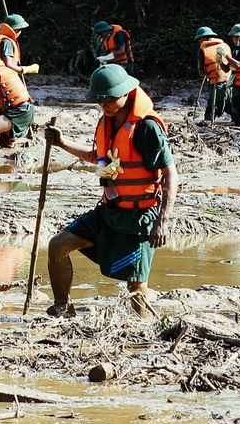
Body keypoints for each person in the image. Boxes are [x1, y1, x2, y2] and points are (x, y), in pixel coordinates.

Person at [42, 64, 178, 316]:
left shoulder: (147, 128)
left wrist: (163, 222)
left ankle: (143, 328)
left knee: (135, 285)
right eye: (99, 100)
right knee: (58, 245)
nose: (103, 105)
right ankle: (63, 307)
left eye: (109, 99)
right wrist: (62, 142)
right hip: (109, 212)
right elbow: (99, 157)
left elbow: (171, 174)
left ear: (126, 93)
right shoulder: (107, 120)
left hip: (140, 217)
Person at [192, 25, 233, 121]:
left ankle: (207, 123)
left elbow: (201, 71)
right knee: (231, 106)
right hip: (230, 82)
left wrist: (206, 72)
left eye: (199, 40)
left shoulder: (202, 50)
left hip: (216, 83)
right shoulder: (225, 45)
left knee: (212, 107)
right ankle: (238, 121)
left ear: (202, 38)